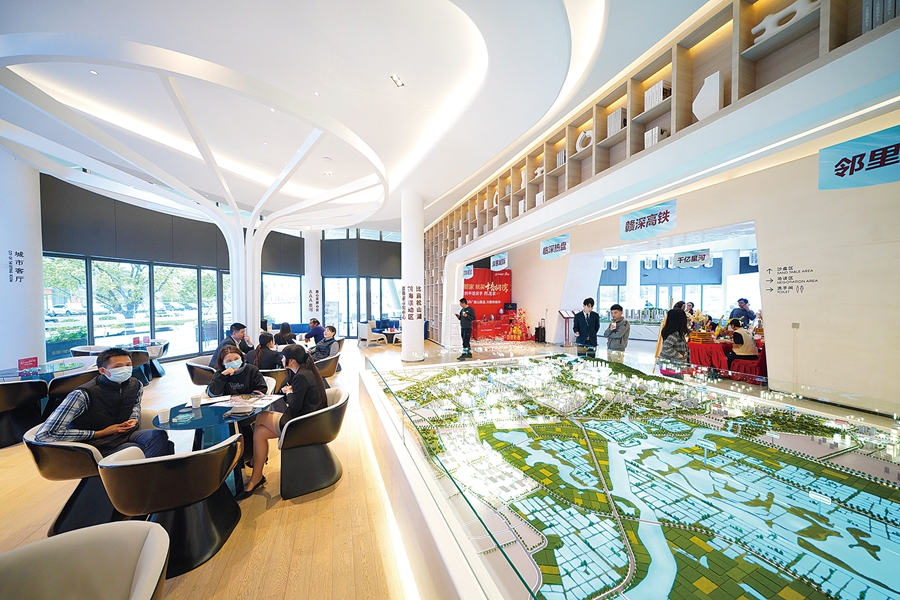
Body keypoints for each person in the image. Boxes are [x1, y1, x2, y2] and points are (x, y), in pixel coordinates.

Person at [36, 348, 173, 457]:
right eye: (118, 366)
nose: (125, 369)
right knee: (136, 449)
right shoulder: (82, 395)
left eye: (128, 365)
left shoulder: (135, 384)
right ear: (102, 371)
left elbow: (135, 406)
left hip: (126, 434)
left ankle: (150, 478)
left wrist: (133, 419)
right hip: (98, 443)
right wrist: (99, 433)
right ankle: (145, 479)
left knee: (159, 437)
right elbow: (45, 434)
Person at [239, 345, 328, 499]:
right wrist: (291, 392)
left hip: (301, 424)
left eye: (284, 357)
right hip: (309, 420)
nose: (281, 360)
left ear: (291, 360)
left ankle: (253, 458)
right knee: (259, 433)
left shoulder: (301, 376)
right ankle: (256, 476)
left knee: (261, 417)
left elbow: (294, 406)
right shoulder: (307, 372)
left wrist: (289, 392)